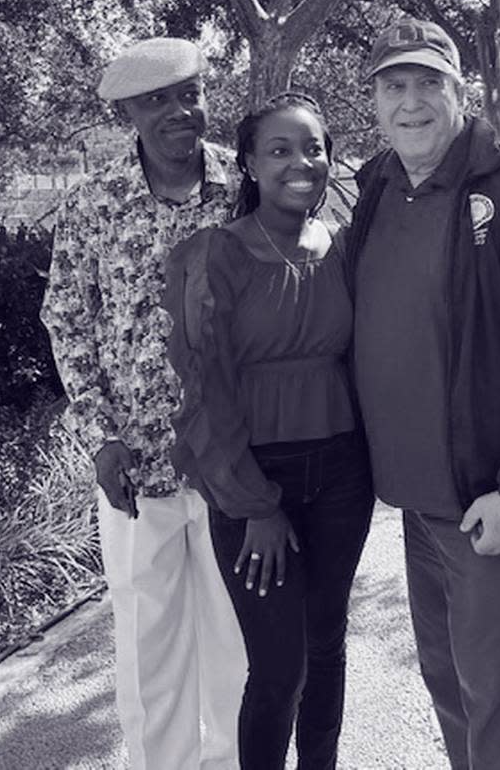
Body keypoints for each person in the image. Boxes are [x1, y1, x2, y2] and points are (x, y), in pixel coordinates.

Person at [344, 17, 500, 770]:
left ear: (460, 91)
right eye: (393, 86)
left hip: (491, 500)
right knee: (448, 683)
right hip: (417, 503)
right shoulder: (377, 188)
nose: (409, 102)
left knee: (499, 697)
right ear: (375, 102)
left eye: (427, 83)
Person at [41, 37, 246, 770]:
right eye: (156, 100)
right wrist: (99, 436)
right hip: (136, 469)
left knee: (240, 644)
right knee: (148, 645)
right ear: (126, 112)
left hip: (235, 464)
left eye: (188, 93)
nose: (178, 112)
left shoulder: (244, 183)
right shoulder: (93, 204)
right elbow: (66, 318)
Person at [164, 92, 374, 770]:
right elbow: (203, 391)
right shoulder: (212, 255)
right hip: (256, 482)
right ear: (249, 164)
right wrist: (255, 505)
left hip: (343, 472)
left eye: (312, 148)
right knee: (279, 668)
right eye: (279, 150)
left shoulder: (342, 247)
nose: (300, 162)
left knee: (326, 646)